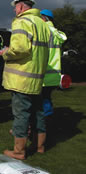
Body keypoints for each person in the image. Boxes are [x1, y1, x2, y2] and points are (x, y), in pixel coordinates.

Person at [0, 0, 50, 159]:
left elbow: (20, 49)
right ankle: (39, 146)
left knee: (21, 114)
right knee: (38, 112)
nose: (14, 10)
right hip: (36, 78)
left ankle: (19, 151)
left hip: (21, 78)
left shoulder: (22, 22)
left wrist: (6, 52)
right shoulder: (42, 23)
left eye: (15, 7)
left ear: (20, 6)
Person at [40, 9, 67, 140]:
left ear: (44, 18)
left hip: (43, 73)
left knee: (38, 104)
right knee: (46, 100)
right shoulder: (57, 33)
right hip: (54, 75)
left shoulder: (43, 31)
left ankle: (40, 130)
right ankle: (50, 126)